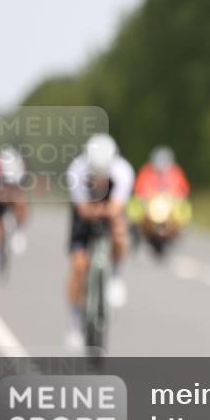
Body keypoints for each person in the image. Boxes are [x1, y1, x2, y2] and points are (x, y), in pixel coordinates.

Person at [65, 133, 134, 350]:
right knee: (78, 266)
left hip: (109, 211)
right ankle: (75, 324)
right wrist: (98, 211)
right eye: (96, 174)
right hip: (84, 217)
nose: (100, 179)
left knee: (120, 232)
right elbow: (83, 210)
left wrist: (106, 212)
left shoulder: (123, 171)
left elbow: (116, 208)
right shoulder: (76, 170)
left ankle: (115, 276)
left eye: (103, 174)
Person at [0, 144, 28, 271]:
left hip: (13, 190)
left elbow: (20, 190)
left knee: (21, 202)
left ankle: (19, 230)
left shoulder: (19, 167)